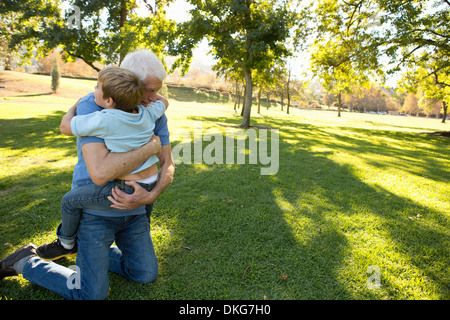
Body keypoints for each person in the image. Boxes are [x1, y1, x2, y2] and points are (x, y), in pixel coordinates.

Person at [0, 50, 175, 300]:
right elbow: (101, 173)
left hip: (135, 212)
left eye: (157, 90)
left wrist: (151, 195)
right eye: (148, 89)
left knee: (145, 274)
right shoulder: (94, 107)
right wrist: (150, 146)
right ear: (126, 82)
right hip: (97, 214)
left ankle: (82, 250)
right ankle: (27, 262)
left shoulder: (151, 108)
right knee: (91, 294)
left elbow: (168, 162)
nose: (154, 97)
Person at [35, 65, 169, 261]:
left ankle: (66, 243)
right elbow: (164, 103)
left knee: (69, 200)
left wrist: (75, 106)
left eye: (97, 88)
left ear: (109, 100)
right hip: (151, 180)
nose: (93, 92)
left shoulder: (104, 119)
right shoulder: (147, 113)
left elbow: (65, 127)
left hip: (128, 187)